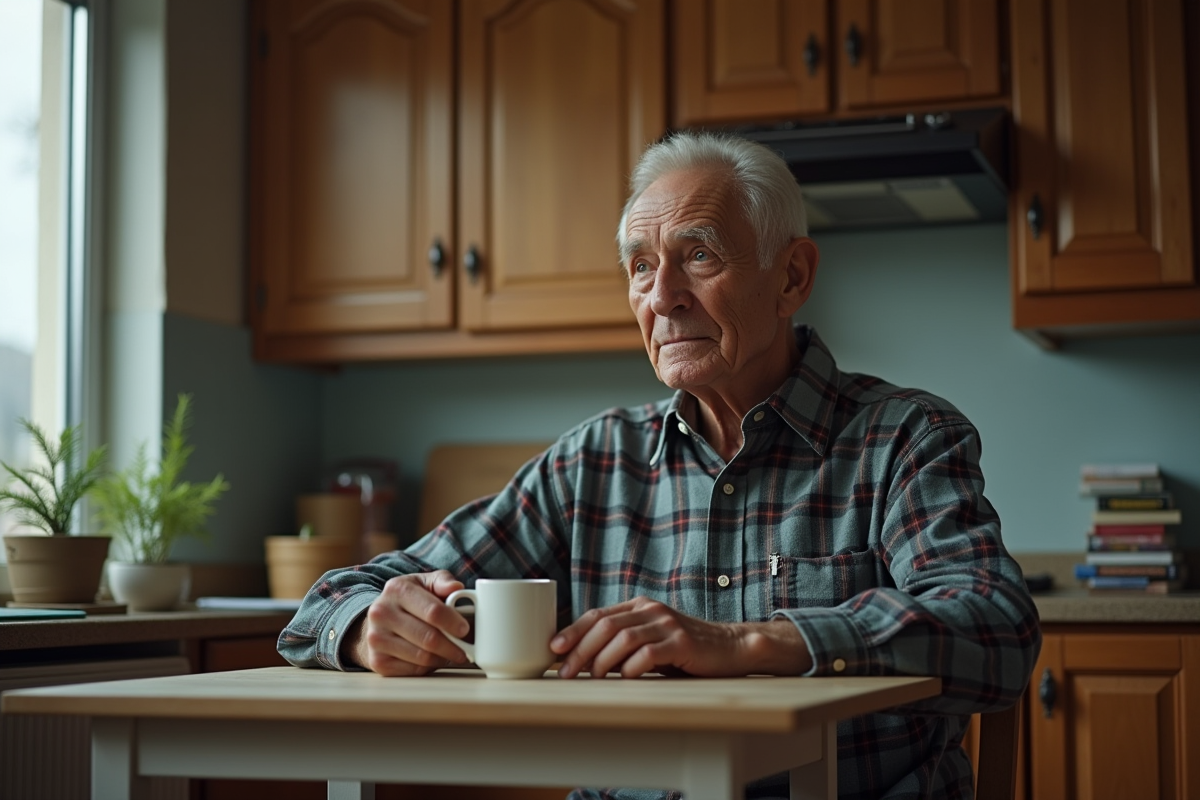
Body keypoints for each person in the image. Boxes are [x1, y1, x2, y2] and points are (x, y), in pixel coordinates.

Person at [279, 131, 1042, 799]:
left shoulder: (905, 437)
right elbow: (329, 602)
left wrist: (750, 643)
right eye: (641, 268)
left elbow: (996, 629)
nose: (663, 297)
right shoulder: (591, 463)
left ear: (792, 278)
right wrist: (363, 627)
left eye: (698, 255)